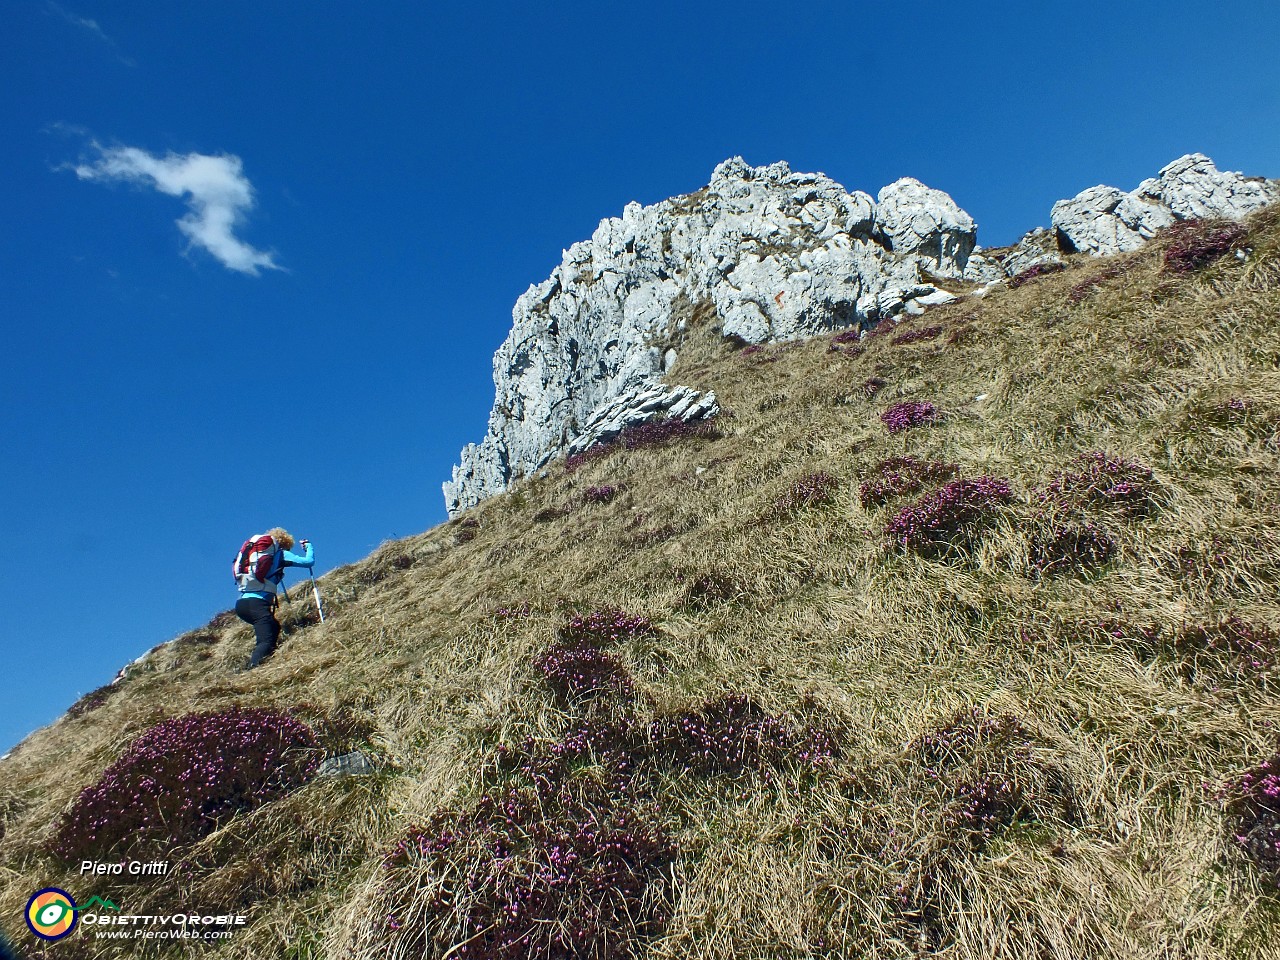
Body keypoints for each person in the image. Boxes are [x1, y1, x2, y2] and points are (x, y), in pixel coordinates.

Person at [234, 527, 315, 668]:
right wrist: (308, 546)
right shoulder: (281, 554)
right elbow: (308, 562)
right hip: (257, 604)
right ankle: (252, 670)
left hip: (242, 604)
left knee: (274, 627)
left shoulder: (257, 556)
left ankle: (266, 663)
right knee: (265, 640)